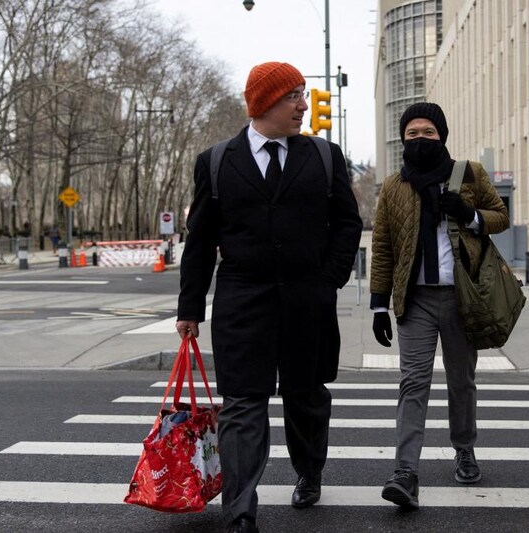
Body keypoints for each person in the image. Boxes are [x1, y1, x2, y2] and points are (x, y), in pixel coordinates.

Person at [176, 61, 362, 533]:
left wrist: (329, 280)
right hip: (242, 303)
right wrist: (190, 308)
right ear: (264, 104)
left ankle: (309, 471)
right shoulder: (216, 161)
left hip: (308, 300)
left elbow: (347, 224)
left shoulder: (324, 156)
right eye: (293, 97)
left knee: (307, 396)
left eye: (304, 95)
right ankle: (239, 509)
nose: (303, 106)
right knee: (241, 404)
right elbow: (199, 240)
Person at [369, 102, 510, 509]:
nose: (419, 139)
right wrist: (380, 304)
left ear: (441, 136)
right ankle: (405, 472)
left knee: (460, 382)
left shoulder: (469, 174)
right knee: (413, 383)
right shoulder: (395, 186)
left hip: (462, 298)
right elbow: (383, 247)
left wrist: (470, 215)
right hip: (416, 301)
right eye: (412, 133)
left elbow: (500, 216)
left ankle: (464, 448)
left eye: (427, 132)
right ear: (403, 138)